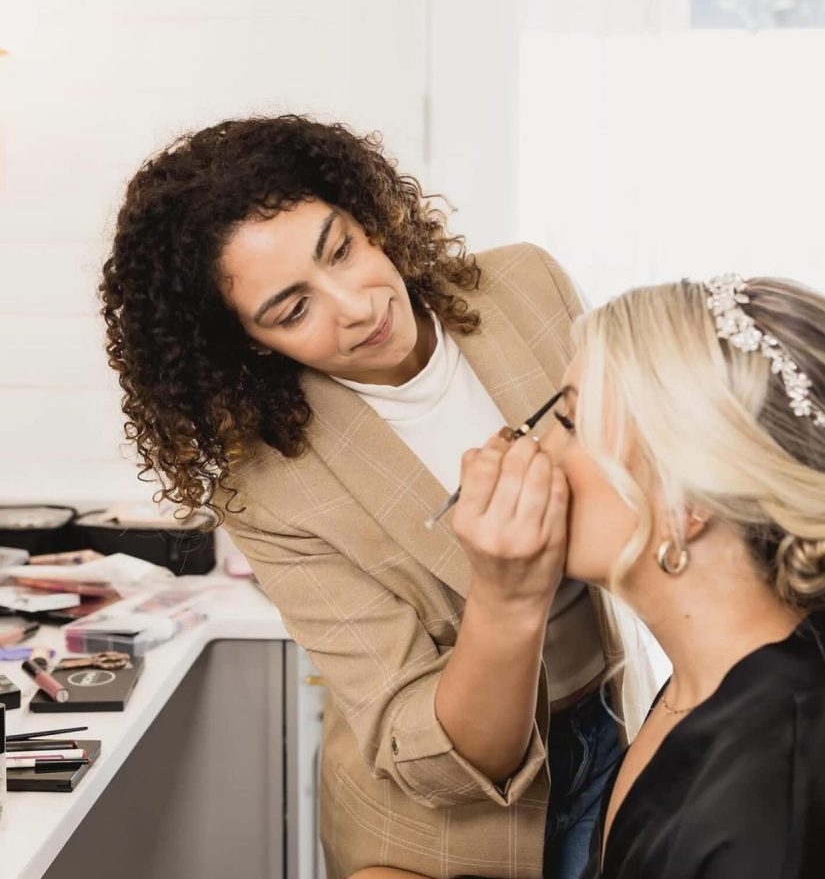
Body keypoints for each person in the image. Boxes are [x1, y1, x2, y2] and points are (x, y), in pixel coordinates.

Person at [99, 114, 658, 879]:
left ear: (368, 214)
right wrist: (503, 594)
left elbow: (649, 467)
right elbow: (430, 755)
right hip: (438, 830)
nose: (358, 307)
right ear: (244, 344)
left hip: (615, 721)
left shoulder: (527, 286)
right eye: (292, 310)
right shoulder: (266, 486)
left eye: (343, 249)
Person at [399, 270, 825, 879]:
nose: (536, 453)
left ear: (689, 500)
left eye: (571, 424)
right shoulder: (708, 681)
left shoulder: (762, 810)